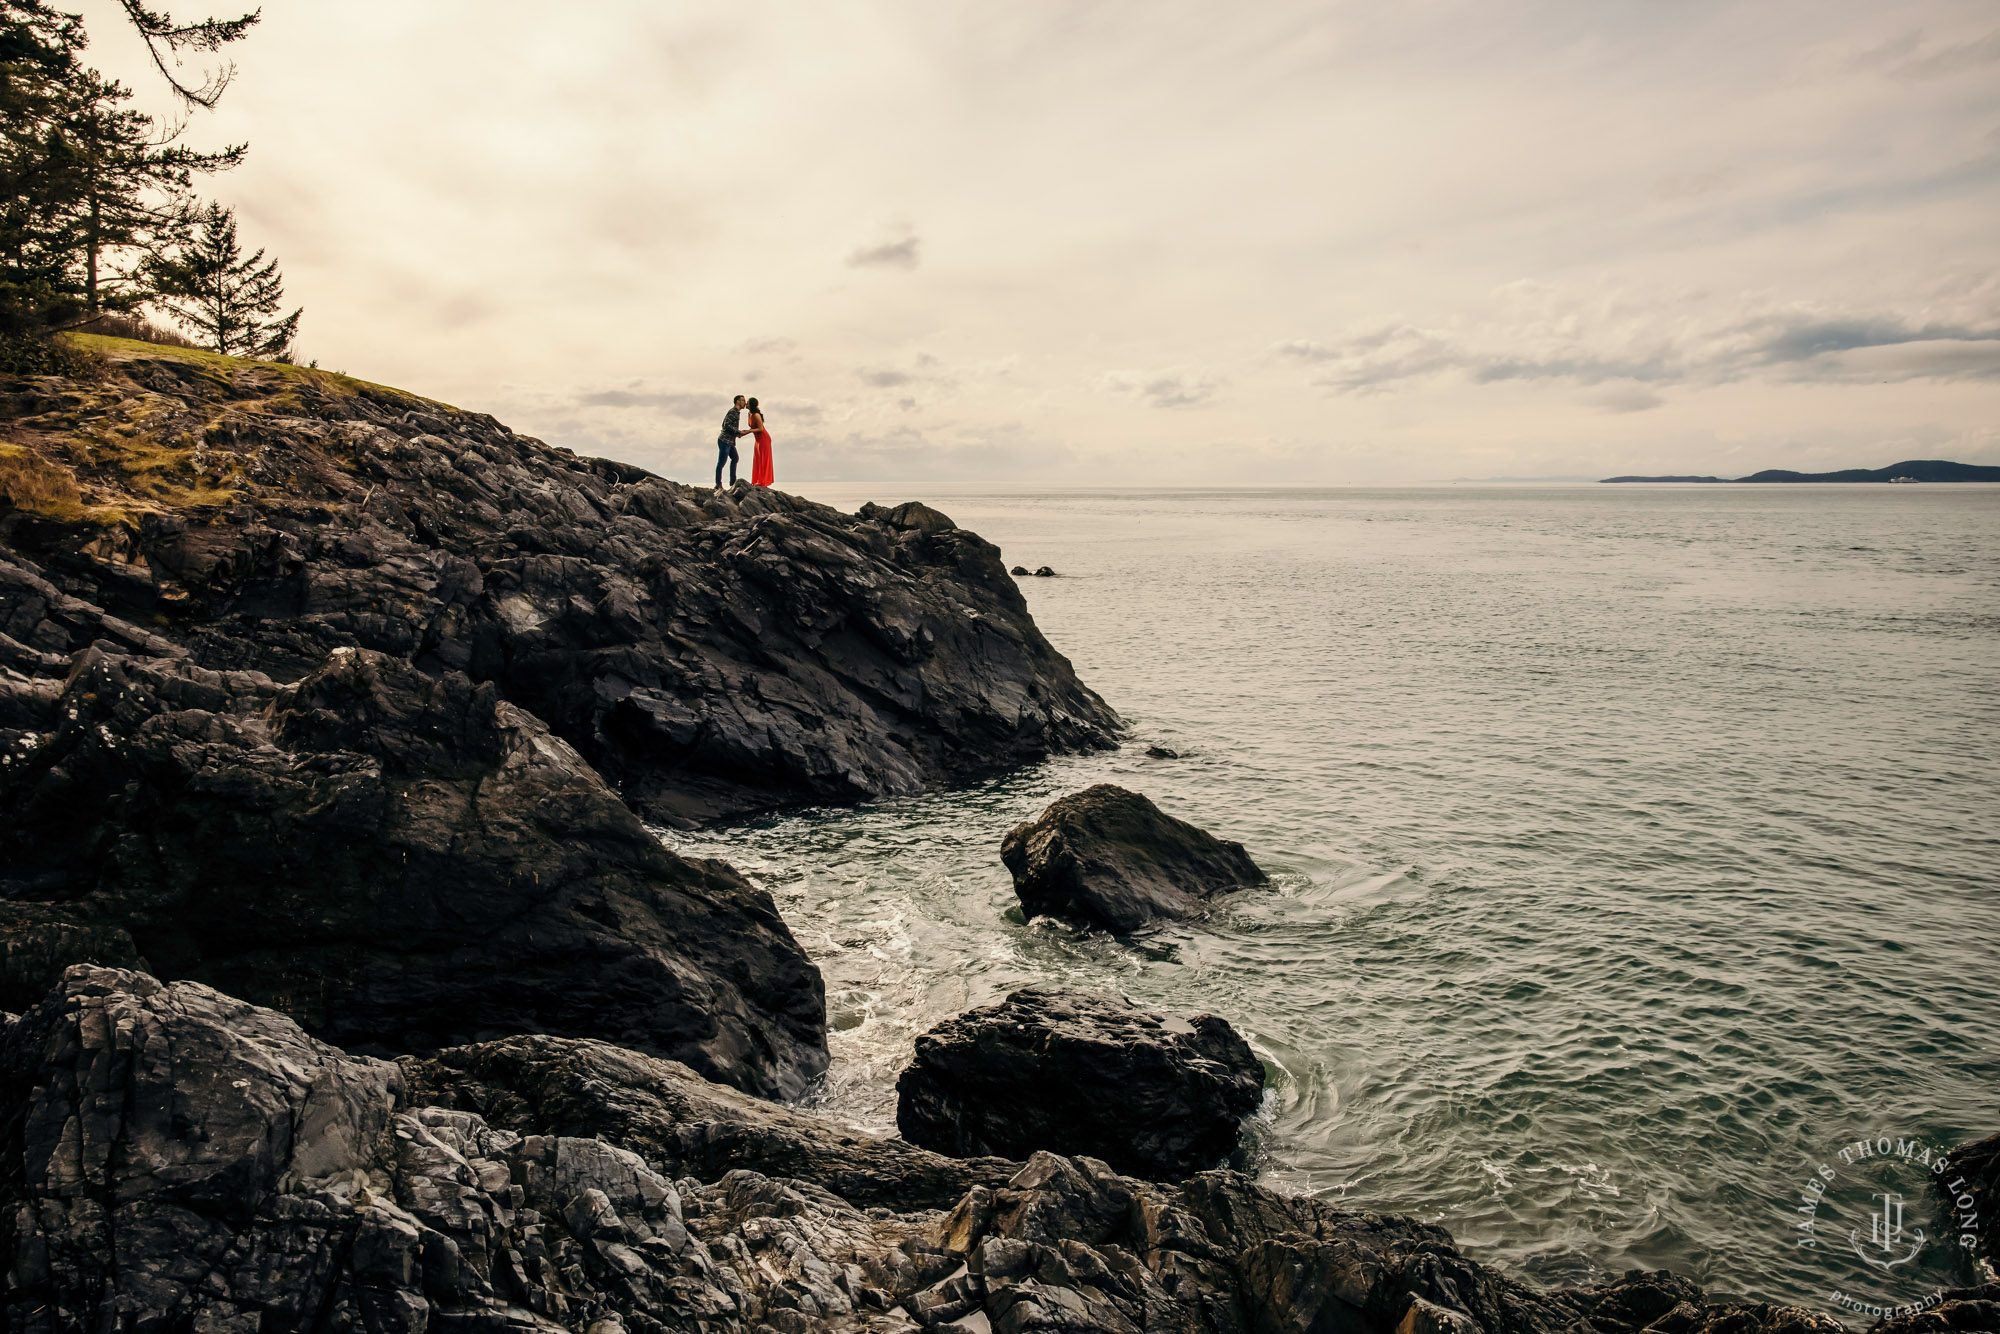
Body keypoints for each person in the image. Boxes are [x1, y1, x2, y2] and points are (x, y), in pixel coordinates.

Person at [716, 394, 753, 489]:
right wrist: (738, 432)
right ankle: (718, 484)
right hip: (725, 440)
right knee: (722, 462)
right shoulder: (733, 411)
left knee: (735, 458)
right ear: (738, 401)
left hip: (730, 441)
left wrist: (738, 433)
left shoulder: (737, 412)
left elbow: (728, 425)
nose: (744, 403)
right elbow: (726, 425)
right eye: (743, 401)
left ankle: (732, 482)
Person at [748, 397, 774, 487]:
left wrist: (747, 432)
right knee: (758, 459)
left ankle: (763, 482)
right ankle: (757, 480)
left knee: (763, 459)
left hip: (763, 438)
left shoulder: (756, 415)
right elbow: (752, 428)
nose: (746, 404)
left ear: (751, 405)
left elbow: (760, 429)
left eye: (747, 403)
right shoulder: (749, 414)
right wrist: (742, 434)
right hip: (757, 440)